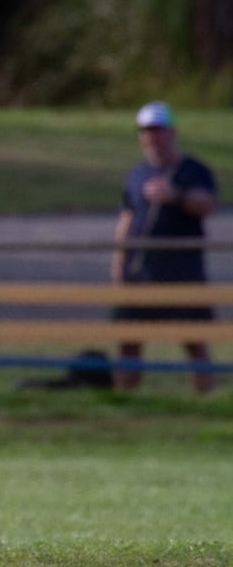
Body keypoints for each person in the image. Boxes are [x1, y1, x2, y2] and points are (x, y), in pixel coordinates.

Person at [113, 101, 218, 394]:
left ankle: (206, 399)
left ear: (172, 132)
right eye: (147, 131)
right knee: (129, 343)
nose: (153, 137)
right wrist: (119, 264)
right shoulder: (137, 173)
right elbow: (127, 217)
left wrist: (176, 196)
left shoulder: (193, 170)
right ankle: (124, 402)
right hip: (140, 274)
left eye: (159, 130)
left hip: (182, 272)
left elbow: (208, 204)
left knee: (194, 342)